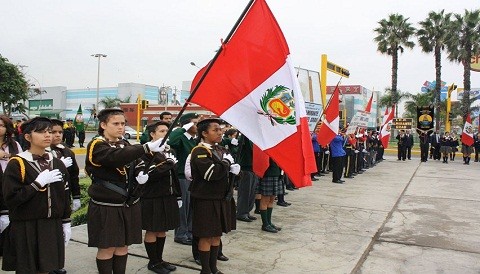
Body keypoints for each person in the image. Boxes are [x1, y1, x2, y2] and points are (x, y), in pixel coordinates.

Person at [85, 108, 166, 274]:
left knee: (122, 246)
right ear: (103, 125)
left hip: (127, 203)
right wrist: (145, 147)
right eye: (115, 123)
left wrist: (140, 173)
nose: (120, 127)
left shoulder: (124, 143)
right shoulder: (97, 145)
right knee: (107, 248)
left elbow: (135, 162)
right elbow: (115, 157)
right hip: (106, 204)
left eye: (123, 123)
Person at [2, 117, 72, 273]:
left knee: (47, 268)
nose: (48, 135)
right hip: (26, 226)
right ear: (28, 137)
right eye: (41, 132)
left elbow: (64, 195)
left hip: (51, 225)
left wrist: (66, 222)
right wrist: (37, 184)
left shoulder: (57, 163)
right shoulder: (17, 163)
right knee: (27, 269)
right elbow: (11, 198)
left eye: (49, 131)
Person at [189, 118, 238, 274]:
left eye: (220, 129)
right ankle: (205, 270)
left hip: (221, 198)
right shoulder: (200, 151)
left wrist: (236, 172)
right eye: (215, 130)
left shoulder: (222, 149)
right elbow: (211, 174)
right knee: (206, 236)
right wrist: (226, 164)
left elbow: (227, 174)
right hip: (206, 199)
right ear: (204, 133)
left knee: (217, 235)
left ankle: (213, 268)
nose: (219, 132)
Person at [140, 121, 181, 274]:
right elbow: (148, 174)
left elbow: (174, 176)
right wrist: (167, 164)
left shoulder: (169, 151)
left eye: (167, 131)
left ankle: (160, 259)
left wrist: (178, 195)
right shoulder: (146, 152)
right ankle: (153, 262)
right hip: (152, 196)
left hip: (167, 195)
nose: (166, 134)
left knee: (163, 229)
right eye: (162, 131)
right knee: (152, 229)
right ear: (152, 134)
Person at [168, 112, 199, 246]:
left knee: (192, 207)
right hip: (181, 177)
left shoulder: (194, 140)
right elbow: (171, 140)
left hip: (194, 178)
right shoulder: (181, 137)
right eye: (195, 123)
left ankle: (190, 231)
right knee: (183, 207)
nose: (197, 126)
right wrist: (183, 128)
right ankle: (181, 234)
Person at [0, 115, 23, 237]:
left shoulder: (14, 145)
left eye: (2, 126)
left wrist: (5, 156)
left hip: (9, 184)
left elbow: (20, 160)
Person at [236, 134, 258, 223]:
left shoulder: (254, 138)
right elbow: (250, 149)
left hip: (254, 167)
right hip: (246, 167)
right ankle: (241, 213)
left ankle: (247, 211)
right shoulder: (246, 135)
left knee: (252, 192)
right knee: (245, 192)